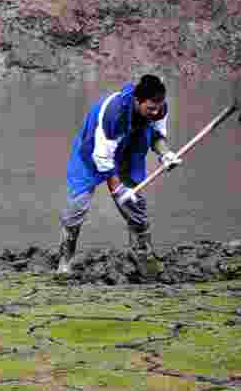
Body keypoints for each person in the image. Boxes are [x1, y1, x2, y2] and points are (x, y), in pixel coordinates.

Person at [58, 74, 182, 275]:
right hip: (93, 151)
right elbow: (102, 158)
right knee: (76, 208)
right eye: (150, 108)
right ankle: (65, 260)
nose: (156, 112)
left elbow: (157, 135)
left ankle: (143, 257)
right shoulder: (114, 114)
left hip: (128, 150)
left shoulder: (159, 109)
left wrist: (165, 154)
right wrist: (118, 189)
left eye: (158, 107)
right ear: (137, 100)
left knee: (134, 205)